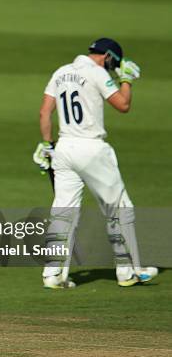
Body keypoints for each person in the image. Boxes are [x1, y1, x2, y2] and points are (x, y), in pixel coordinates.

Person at [34, 38, 158, 289]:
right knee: (120, 207)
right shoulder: (97, 73)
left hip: (64, 148)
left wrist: (48, 145)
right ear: (108, 56)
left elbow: (44, 112)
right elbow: (123, 105)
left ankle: (53, 274)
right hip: (91, 148)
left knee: (63, 211)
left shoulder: (61, 71)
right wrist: (127, 81)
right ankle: (129, 271)